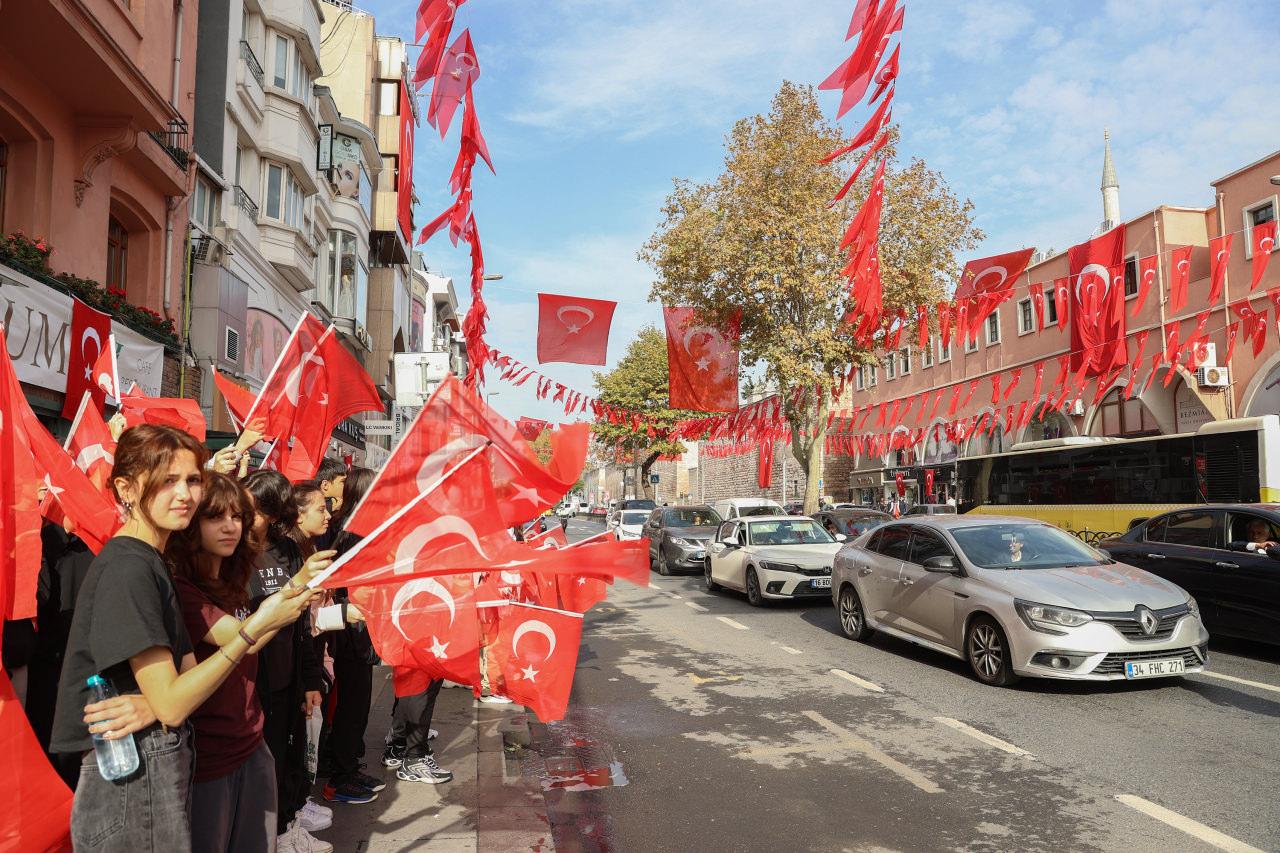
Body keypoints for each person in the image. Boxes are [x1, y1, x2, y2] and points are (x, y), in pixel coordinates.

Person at [50, 425, 320, 853]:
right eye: (166, 480)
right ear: (126, 488)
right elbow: (176, 702)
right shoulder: (128, 568)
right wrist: (252, 629)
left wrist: (152, 702)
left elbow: (183, 680)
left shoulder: (151, 561)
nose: (184, 494)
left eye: (192, 479)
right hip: (131, 780)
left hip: (158, 768)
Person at [167, 473, 333, 853]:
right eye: (215, 517)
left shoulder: (233, 579)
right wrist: (296, 591)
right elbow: (244, 637)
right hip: (211, 753)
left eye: (238, 516)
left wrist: (299, 583)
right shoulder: (184, 590)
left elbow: (255, 630)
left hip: (250, 733)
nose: (231, 526)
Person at [243, 472, 340, 850]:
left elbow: (300, 623)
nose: (236, 521)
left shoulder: (287, 550)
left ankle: (286, 827)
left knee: (284, 759)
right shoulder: (235, 553)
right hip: (250, 683)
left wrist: (309, 681)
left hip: (286, 676)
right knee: (258, 769)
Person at [319, 468, 386, 801]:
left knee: (355, 704)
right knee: (351, 705)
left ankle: (348, 766)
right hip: (350, 629)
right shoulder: (351, 533)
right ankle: (340, 777)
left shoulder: (354, 529)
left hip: (355, 627)